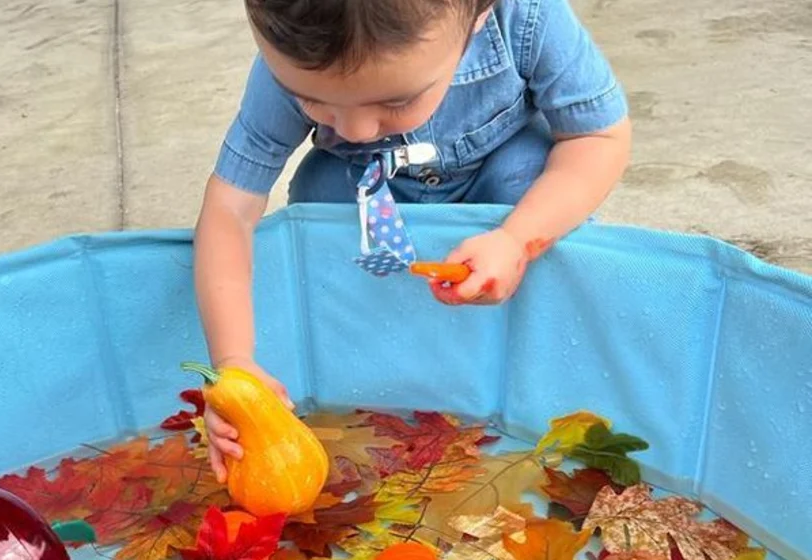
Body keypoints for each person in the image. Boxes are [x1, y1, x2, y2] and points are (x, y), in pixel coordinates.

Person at [194, 0, 631, 479]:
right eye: (312, 100)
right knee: (320, 195)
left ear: (477, 15)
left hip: (499, 187)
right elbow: (230, 210)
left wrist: (517, 238)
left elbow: (598, 139)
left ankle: (534, 344)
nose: (355, 130)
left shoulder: (524, 18)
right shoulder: (295, 49)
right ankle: (369, 335)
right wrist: (234, 367)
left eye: (397, 101)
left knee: (529, 184)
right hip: (371, 195)